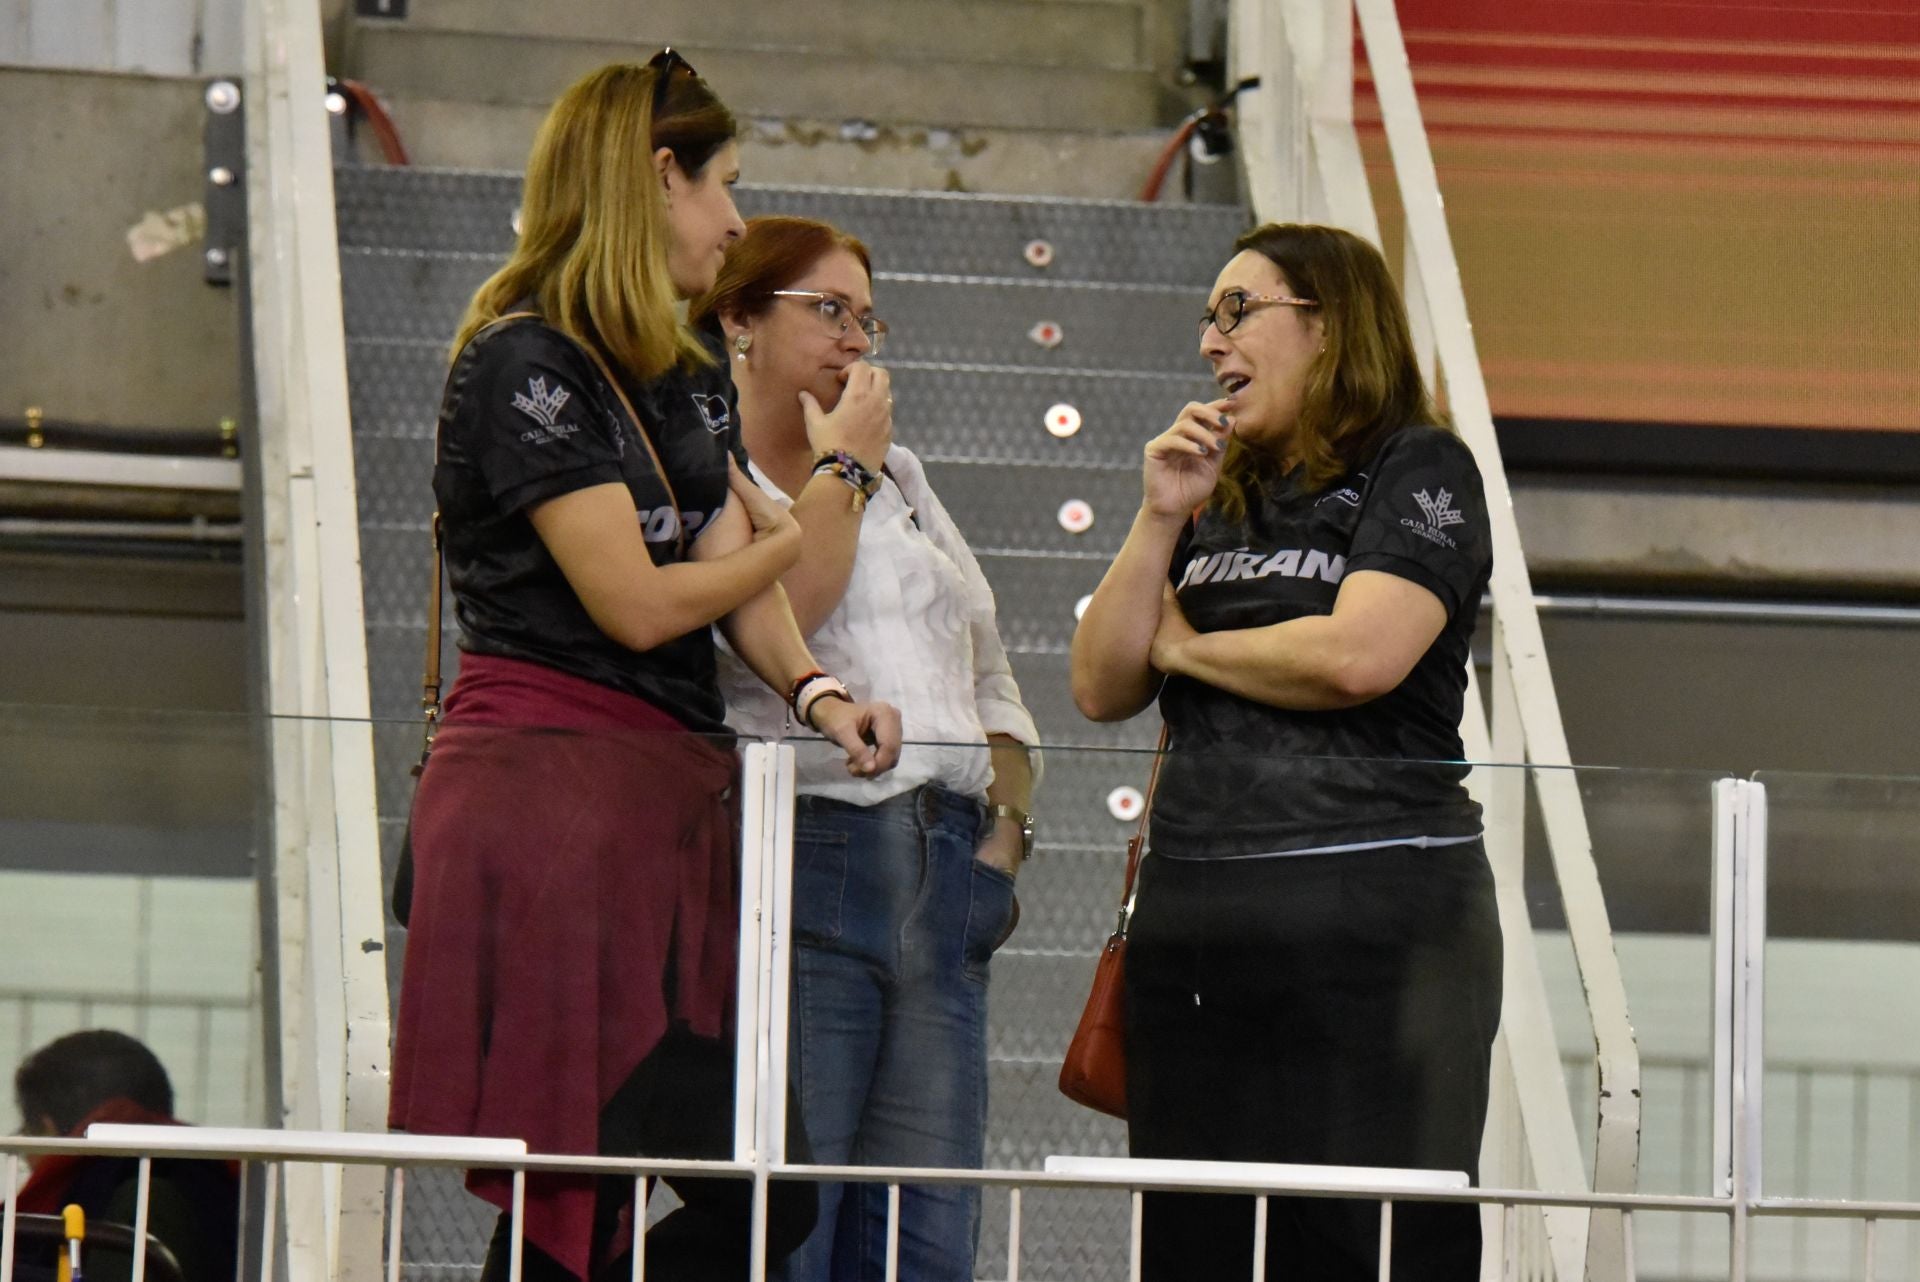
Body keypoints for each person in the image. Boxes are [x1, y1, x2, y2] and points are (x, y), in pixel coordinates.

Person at [385, 56, 903, 1282]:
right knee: (588, 1174)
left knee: (747, 1186)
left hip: (661, 801)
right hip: (553, 794)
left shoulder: (675, 375)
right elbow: (637, 602)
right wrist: (801, 520)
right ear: (656, 178)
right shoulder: (526, 362)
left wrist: (818, 690)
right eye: (722, 186)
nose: (733, 220)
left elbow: (735, 586)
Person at [1069, 223, 1503, 1280]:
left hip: (1375, 923)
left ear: (1327, 324)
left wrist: (1190, 644)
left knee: (1369, 1249)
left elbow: (1362, 653)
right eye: (1207, 319)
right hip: (1201, 925)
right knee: (1197, 1247)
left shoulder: (1418, 460)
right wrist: (1155, 516)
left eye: (1238, 311)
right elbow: (1100, 682)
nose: (1212, 342)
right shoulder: (1215, 484)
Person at [691, 215, 1039, 1282]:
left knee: (929, 1233)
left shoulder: (905, 477)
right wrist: (842, 463)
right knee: (800, 1214)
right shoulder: (712, 469)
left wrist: (1007, 833)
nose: (854, 340)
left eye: (866, 317)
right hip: (813, 849)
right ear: (740, 320)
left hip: (947, 859)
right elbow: (778, 623)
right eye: (827, 311)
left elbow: (988, 664)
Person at [11, 1029, 240, 1282]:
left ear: (48, 1127)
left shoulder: (136, 1204)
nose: (24, 1157)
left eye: (27, 1131)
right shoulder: (224, 1184)